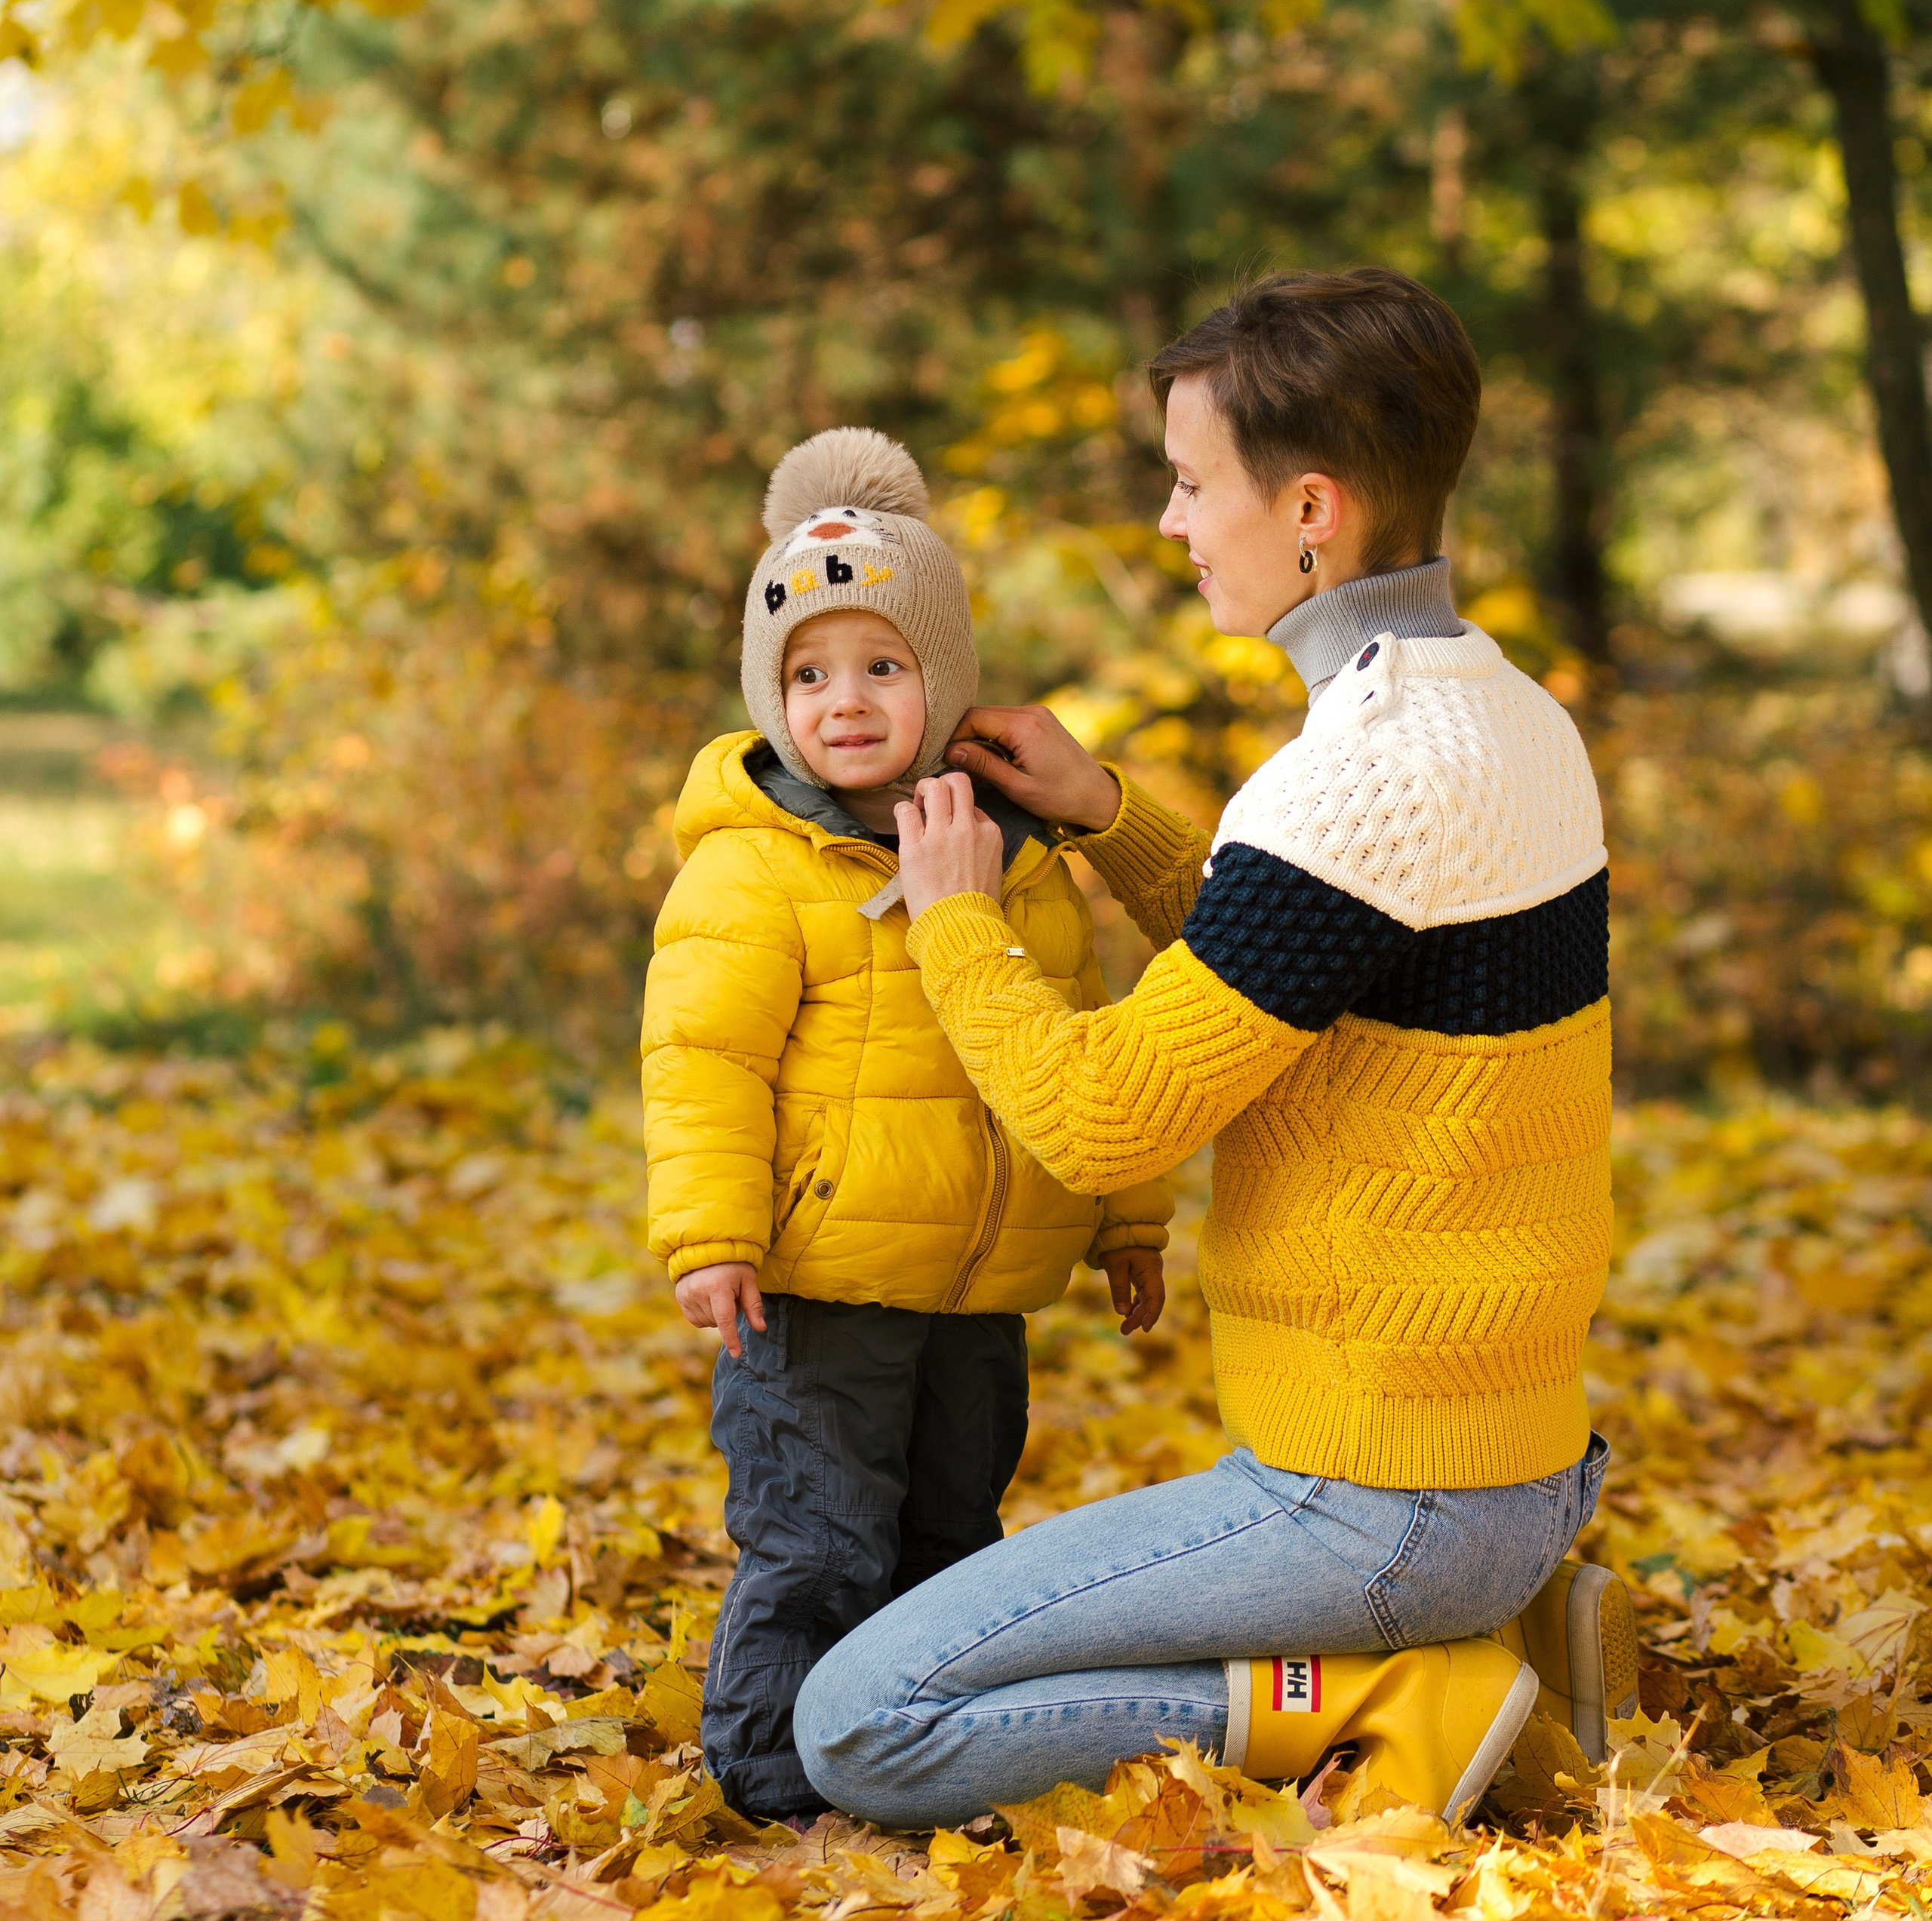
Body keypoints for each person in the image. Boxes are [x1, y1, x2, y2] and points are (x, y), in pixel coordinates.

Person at [793, 271, 1637, 1829]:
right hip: (1509, 1471)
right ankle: (1505, 1633)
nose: (1174, 527)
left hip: (1374, 1500)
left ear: (1308, 508)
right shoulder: (1505, 718)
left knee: (859, 1719)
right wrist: (1110, 819)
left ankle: (1400, 1692)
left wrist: (953, 922)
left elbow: (1106, 1121)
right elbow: (1311, 974)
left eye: (1192, 486)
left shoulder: (1357, 777)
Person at [640, 426, 1171, 1824]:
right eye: (808, 674)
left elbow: (1084, 1033)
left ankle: (917, 1754)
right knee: (816, 1541)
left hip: (978, 1291)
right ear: (770, 697)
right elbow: (700, 1058)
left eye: (882, 664)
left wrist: (1131, 1217)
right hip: (814, 1294)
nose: (846, 699)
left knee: (951, 1538)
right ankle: (770, 1781)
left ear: (944, 680)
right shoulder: (757, 874)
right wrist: (710, 1233)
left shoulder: (1015, 855)